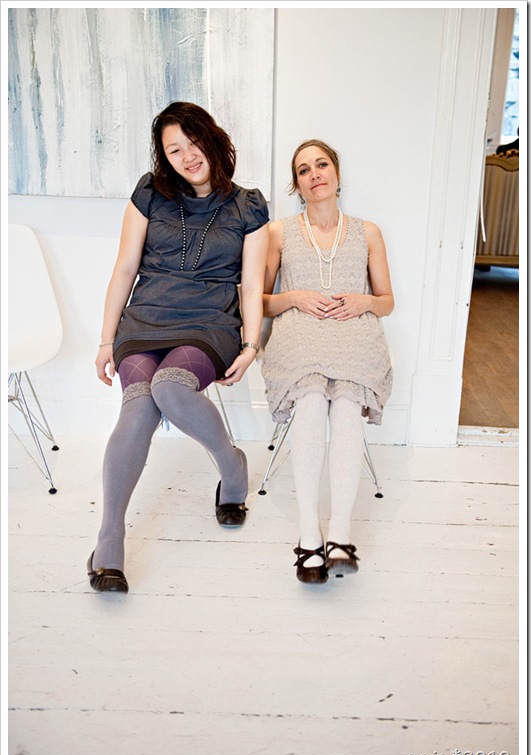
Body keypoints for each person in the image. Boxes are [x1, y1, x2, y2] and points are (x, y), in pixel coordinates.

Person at [87, 102, 269, 593]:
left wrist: (251, 344)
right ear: (164, 158)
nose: (187, 156)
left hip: (210, 321)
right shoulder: (150, 194)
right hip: (145, 319)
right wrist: (106, 338)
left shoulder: (249, 206)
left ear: (212, 139)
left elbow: (252, 284)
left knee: (170, 386)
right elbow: (125, 269)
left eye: (193, 143)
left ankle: (231, 464)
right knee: (139, 406)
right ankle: (109, 538)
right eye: (174, 150)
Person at [261, 139, 393, 584]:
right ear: (297, 185)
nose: (314, 174)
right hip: (299, 333)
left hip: (354, 333)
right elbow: (260, 301)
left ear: (337, 174)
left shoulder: (367, 232)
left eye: (321, 165)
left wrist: (364, 301)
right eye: (304, 170)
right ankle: (307, 533)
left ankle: (339, 534)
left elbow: (387, 301)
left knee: (347, 405)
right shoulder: (279, 232)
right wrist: (295, 296)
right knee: (313, 400)